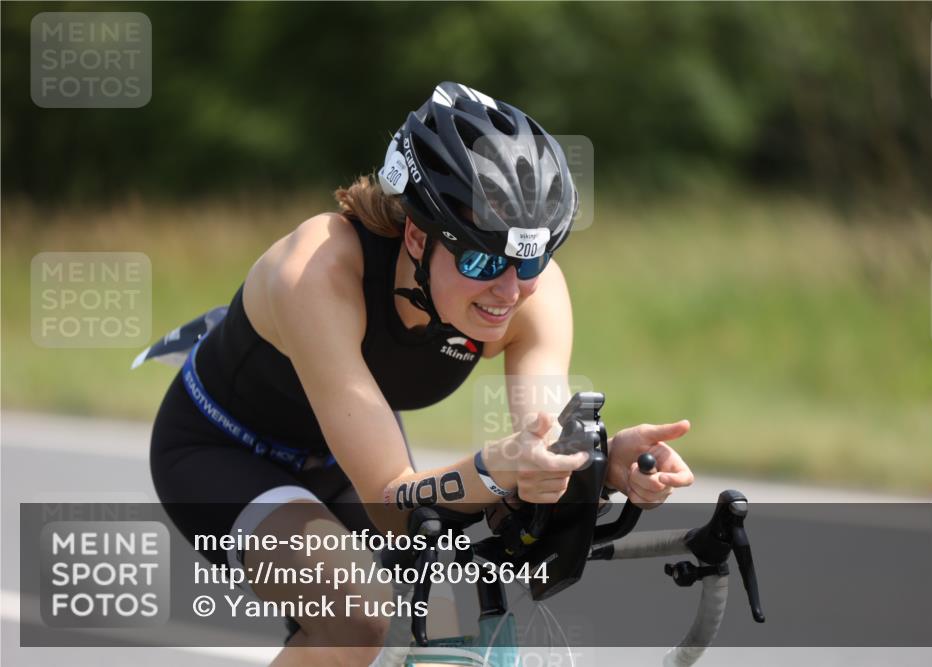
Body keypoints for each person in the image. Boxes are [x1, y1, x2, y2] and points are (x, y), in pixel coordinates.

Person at [149, 82, 694, 667]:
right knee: (356, 615)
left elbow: (545, 434)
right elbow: (391, 497)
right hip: (222, 450)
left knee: (451, 618)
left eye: (529, 260)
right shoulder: (317, 269)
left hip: (341, 459)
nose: (509, 291)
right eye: (482, 259)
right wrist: (495, 470)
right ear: (415, 234)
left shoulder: (527, 294)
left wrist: (598, 464)